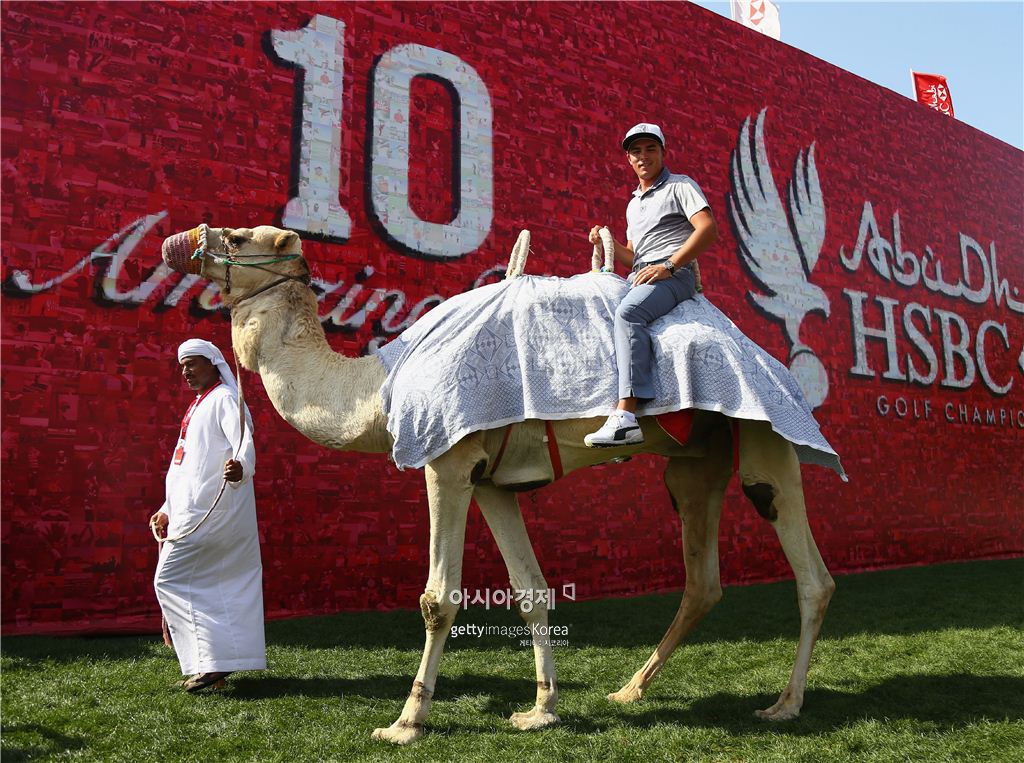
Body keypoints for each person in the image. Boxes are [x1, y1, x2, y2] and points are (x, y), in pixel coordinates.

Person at [584, 122, 719, 447]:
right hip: (643, 275)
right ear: (629, 159)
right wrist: (608, 243)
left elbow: (708, 229)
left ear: (662, 153)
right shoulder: (634, 204)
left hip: (675, 276)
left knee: (629, 313)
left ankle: (627, 417)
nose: (643, 156)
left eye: (650, 149)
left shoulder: (680, 186)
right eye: (636, 151)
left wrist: (669, 266)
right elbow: (634, 257)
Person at [149, 339, 266, 692]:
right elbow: (183, 465)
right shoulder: (199, 404)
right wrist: (166, 509)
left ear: (214, 363)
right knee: (209, 588)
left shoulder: (226, 399)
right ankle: (213, 666)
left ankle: (211, 664)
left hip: (214, 511)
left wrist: (241, 467)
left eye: (193, 363)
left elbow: (244, 440)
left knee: (168, 580)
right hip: (188, 511)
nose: (186, 371)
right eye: (182, 365)